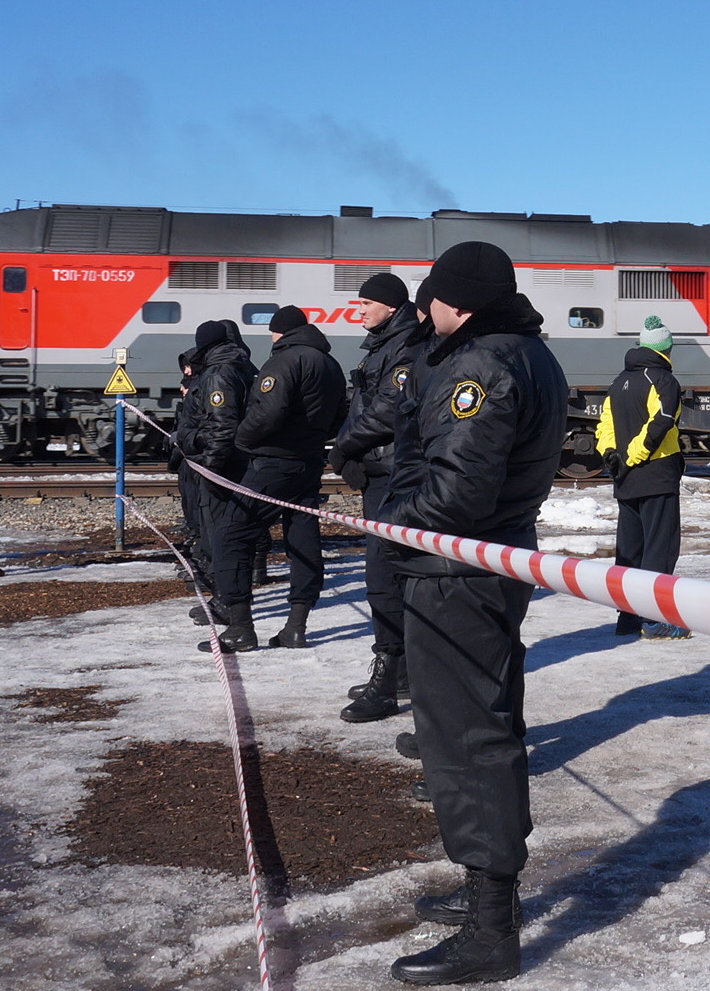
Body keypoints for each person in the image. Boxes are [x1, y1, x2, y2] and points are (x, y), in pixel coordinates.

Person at [377, 241, 566, 985]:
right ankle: (488, 894)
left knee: (465, 740)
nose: (424, 309)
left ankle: (491, 931)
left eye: (433, 297)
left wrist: (389, 525)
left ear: (458, 301)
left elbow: (456, 495)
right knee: (485, 726)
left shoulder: (480, 365)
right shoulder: (529, 353)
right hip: (489, 563)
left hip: (456, 573)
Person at [207, 304, 347, 652]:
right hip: (309, 462)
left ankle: (240, 626)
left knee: (231, 533)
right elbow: (339, 416)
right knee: (302, 539)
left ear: (278, 331)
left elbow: (268, 412)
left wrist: (241, 441)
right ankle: (296, 626)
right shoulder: (330, 364)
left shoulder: (285, 360)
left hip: (272, 464)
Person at [331, 272, 436, 723]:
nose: (359, 310)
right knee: (386, 574)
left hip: (394, 475)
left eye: (365, 303)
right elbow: (365, 406)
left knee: (384, 575)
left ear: (390, 307)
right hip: (382, 469)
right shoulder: (385, 344)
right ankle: (401, 671)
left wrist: (344, 447)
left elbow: (387, 409)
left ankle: (389, 678)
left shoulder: (403, 347)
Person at [595, 314, 689, 640]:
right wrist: (634, 456)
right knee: (660, 549)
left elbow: (605, 425)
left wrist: (613, 457)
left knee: (630, 550)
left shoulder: (619, 381)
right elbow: (661, 421)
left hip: (625, 480)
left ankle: (627, 618)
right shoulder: (663, 380)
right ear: (666, 349)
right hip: (656, 474)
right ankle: (653, 620)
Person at [177, 319, 255, 624]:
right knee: (225, 537)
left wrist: (210, 467)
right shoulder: (236, 365)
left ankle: (227, 602)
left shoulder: (218, 373)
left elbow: (222, 427)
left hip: (221, 469)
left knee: (220, 538)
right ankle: (227, 599)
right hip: (231, 464)